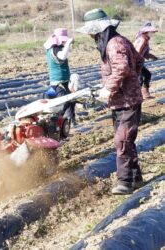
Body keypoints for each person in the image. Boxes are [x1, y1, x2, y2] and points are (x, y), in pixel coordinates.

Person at [77, 8, 144, 195]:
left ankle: (125, 182)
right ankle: (135, 178)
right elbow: (138, 61)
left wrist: (110, 88)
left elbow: (122, 66)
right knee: (126, 141)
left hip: (127, 101)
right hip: (122, 100)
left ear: (99, 30)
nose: (91, 35)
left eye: (92, 32)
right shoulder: (117, 40)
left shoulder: (114, 44)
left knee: (122, 141)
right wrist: (131, 82)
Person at [44, 28, 77, 127]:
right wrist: (68, 43)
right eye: (64, 40)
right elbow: (63, 56)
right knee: (66, 101)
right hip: (58, 82)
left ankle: (70, 122)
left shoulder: (56, 48)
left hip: (64, 80)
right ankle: (64, 124)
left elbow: (66, 53)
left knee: (72, 100)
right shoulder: (55, 49)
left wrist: (68, 45)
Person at [133, 22, 158, 99]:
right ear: (146, 32)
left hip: (138, 62)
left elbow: (144, 53)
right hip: (136, 62)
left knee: (147, 75)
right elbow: (137, 52)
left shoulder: (145, 39)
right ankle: (135, 97)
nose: (153, 33)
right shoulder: (142, 40)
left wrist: (152, 56)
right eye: (151, 32)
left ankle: (145, 93)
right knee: (139, 79)